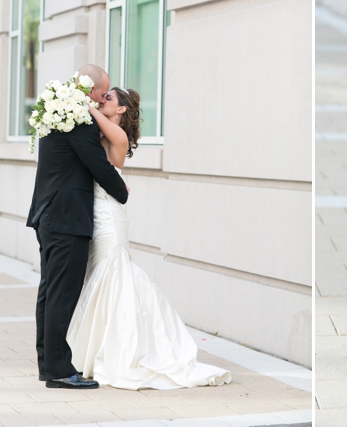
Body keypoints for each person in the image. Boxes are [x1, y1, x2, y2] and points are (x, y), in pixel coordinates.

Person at [66, 87, 232, 390]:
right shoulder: (97, 135)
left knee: (113, 275)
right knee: (99, 278)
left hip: (109, 217)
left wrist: (76, 101)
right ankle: (95, 348)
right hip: (95, 213)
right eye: (102, 98)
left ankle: (120, 350)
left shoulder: (117, 135)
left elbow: (91, 119)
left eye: (108, 99)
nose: (101, 101)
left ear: (121, 111)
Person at [27, 64, 128, 389]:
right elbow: (99, 166)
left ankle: (49, 364)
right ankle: (58, 369)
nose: (101, 99)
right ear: (92, 89)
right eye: (102, 92)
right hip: (66, 219)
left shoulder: (59, 113)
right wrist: (122, 191)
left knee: (49, 292)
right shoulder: (78, 120)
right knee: (61, 293)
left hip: (49, 214)